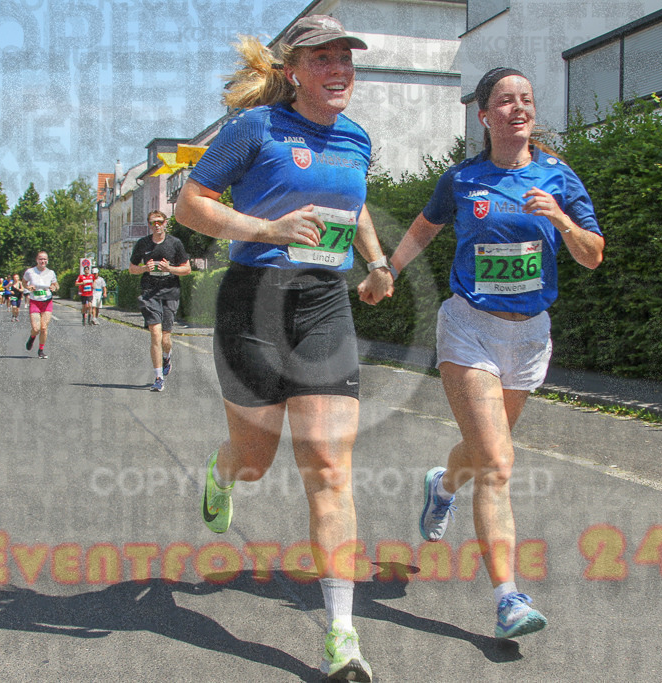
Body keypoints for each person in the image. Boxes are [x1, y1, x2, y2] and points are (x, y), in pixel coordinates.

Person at [174, 15, 392, 682]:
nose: (338, 69)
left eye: (346, 58)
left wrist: (376, 263)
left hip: (323, 301)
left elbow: (351, 207)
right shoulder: (254, 129)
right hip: (254, 298)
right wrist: (267, 225)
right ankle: (222, 470)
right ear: (293, 71)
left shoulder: (356, 139)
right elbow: (190, 204)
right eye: (322, 59)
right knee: (256, 457)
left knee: (328, 464)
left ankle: (342, 633)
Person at [388, 67, 605, 640]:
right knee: (498, 464)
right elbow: (426, 227)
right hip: (469, 329)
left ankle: (441, 486)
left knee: (484, 451)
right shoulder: (463, 178)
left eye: (526, 100)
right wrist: (387, 269)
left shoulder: (559, 177)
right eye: (505, 101)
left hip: (529, 336)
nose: (518, 108)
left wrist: (557, 218)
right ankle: (509, 598)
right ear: (483, 116)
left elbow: (592, 255)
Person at [128, 210, 191, 391]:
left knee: (165, 337)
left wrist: (169, 268)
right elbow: (132, 268)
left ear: (165, 223)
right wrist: (144, 269)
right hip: (149, 292)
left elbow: (186, 269)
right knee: (155, 334)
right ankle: (158, 377)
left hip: (170, 290)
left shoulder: (175, 243)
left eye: (159, 222)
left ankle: (167, 356)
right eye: (152, 223)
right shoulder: (142, 244)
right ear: (149, 225)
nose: (156, 225)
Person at [23, 251, 59, 359]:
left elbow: (56, 284)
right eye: (40, 259)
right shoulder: (30, 272)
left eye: (44, 259)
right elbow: (24, 282)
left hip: (47, 302)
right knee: (36, 328)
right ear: (37, 260)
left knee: (43, 328)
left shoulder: (51, 272)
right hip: (35, 302)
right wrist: (28, 287)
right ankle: (32, 337)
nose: (42, 261)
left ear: (47, 260)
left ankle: (41, 350)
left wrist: (54, 287)